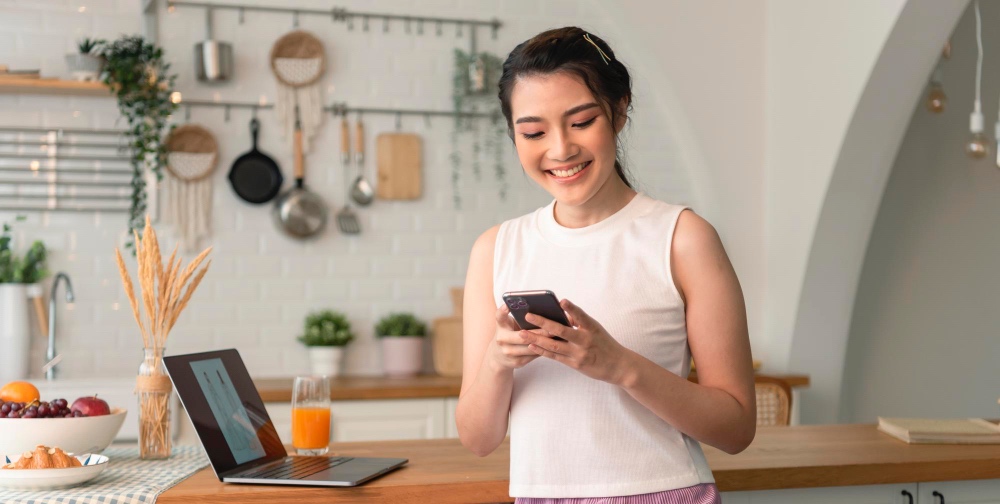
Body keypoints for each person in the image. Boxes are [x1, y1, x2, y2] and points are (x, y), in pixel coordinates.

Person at [455, 27, 756, 503]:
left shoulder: (683, 238)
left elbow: (737, 428)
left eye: (580, 121)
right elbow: (478, 439)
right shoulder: (495, 249)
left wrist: (618, 365)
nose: (559, 149)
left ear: (619, 111)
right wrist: (497, 362)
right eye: (533, 132)